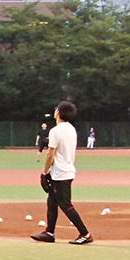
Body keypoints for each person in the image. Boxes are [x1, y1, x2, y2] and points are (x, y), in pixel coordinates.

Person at [31, 100, 92, 245]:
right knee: (52, 202)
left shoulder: (56, 131)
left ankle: (85, 233)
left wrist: (45, 173)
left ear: (58, 112)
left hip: (61, 173)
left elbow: (50, 154)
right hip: (65, 170)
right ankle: (49, 232)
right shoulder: (71, 129)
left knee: (65, 204)